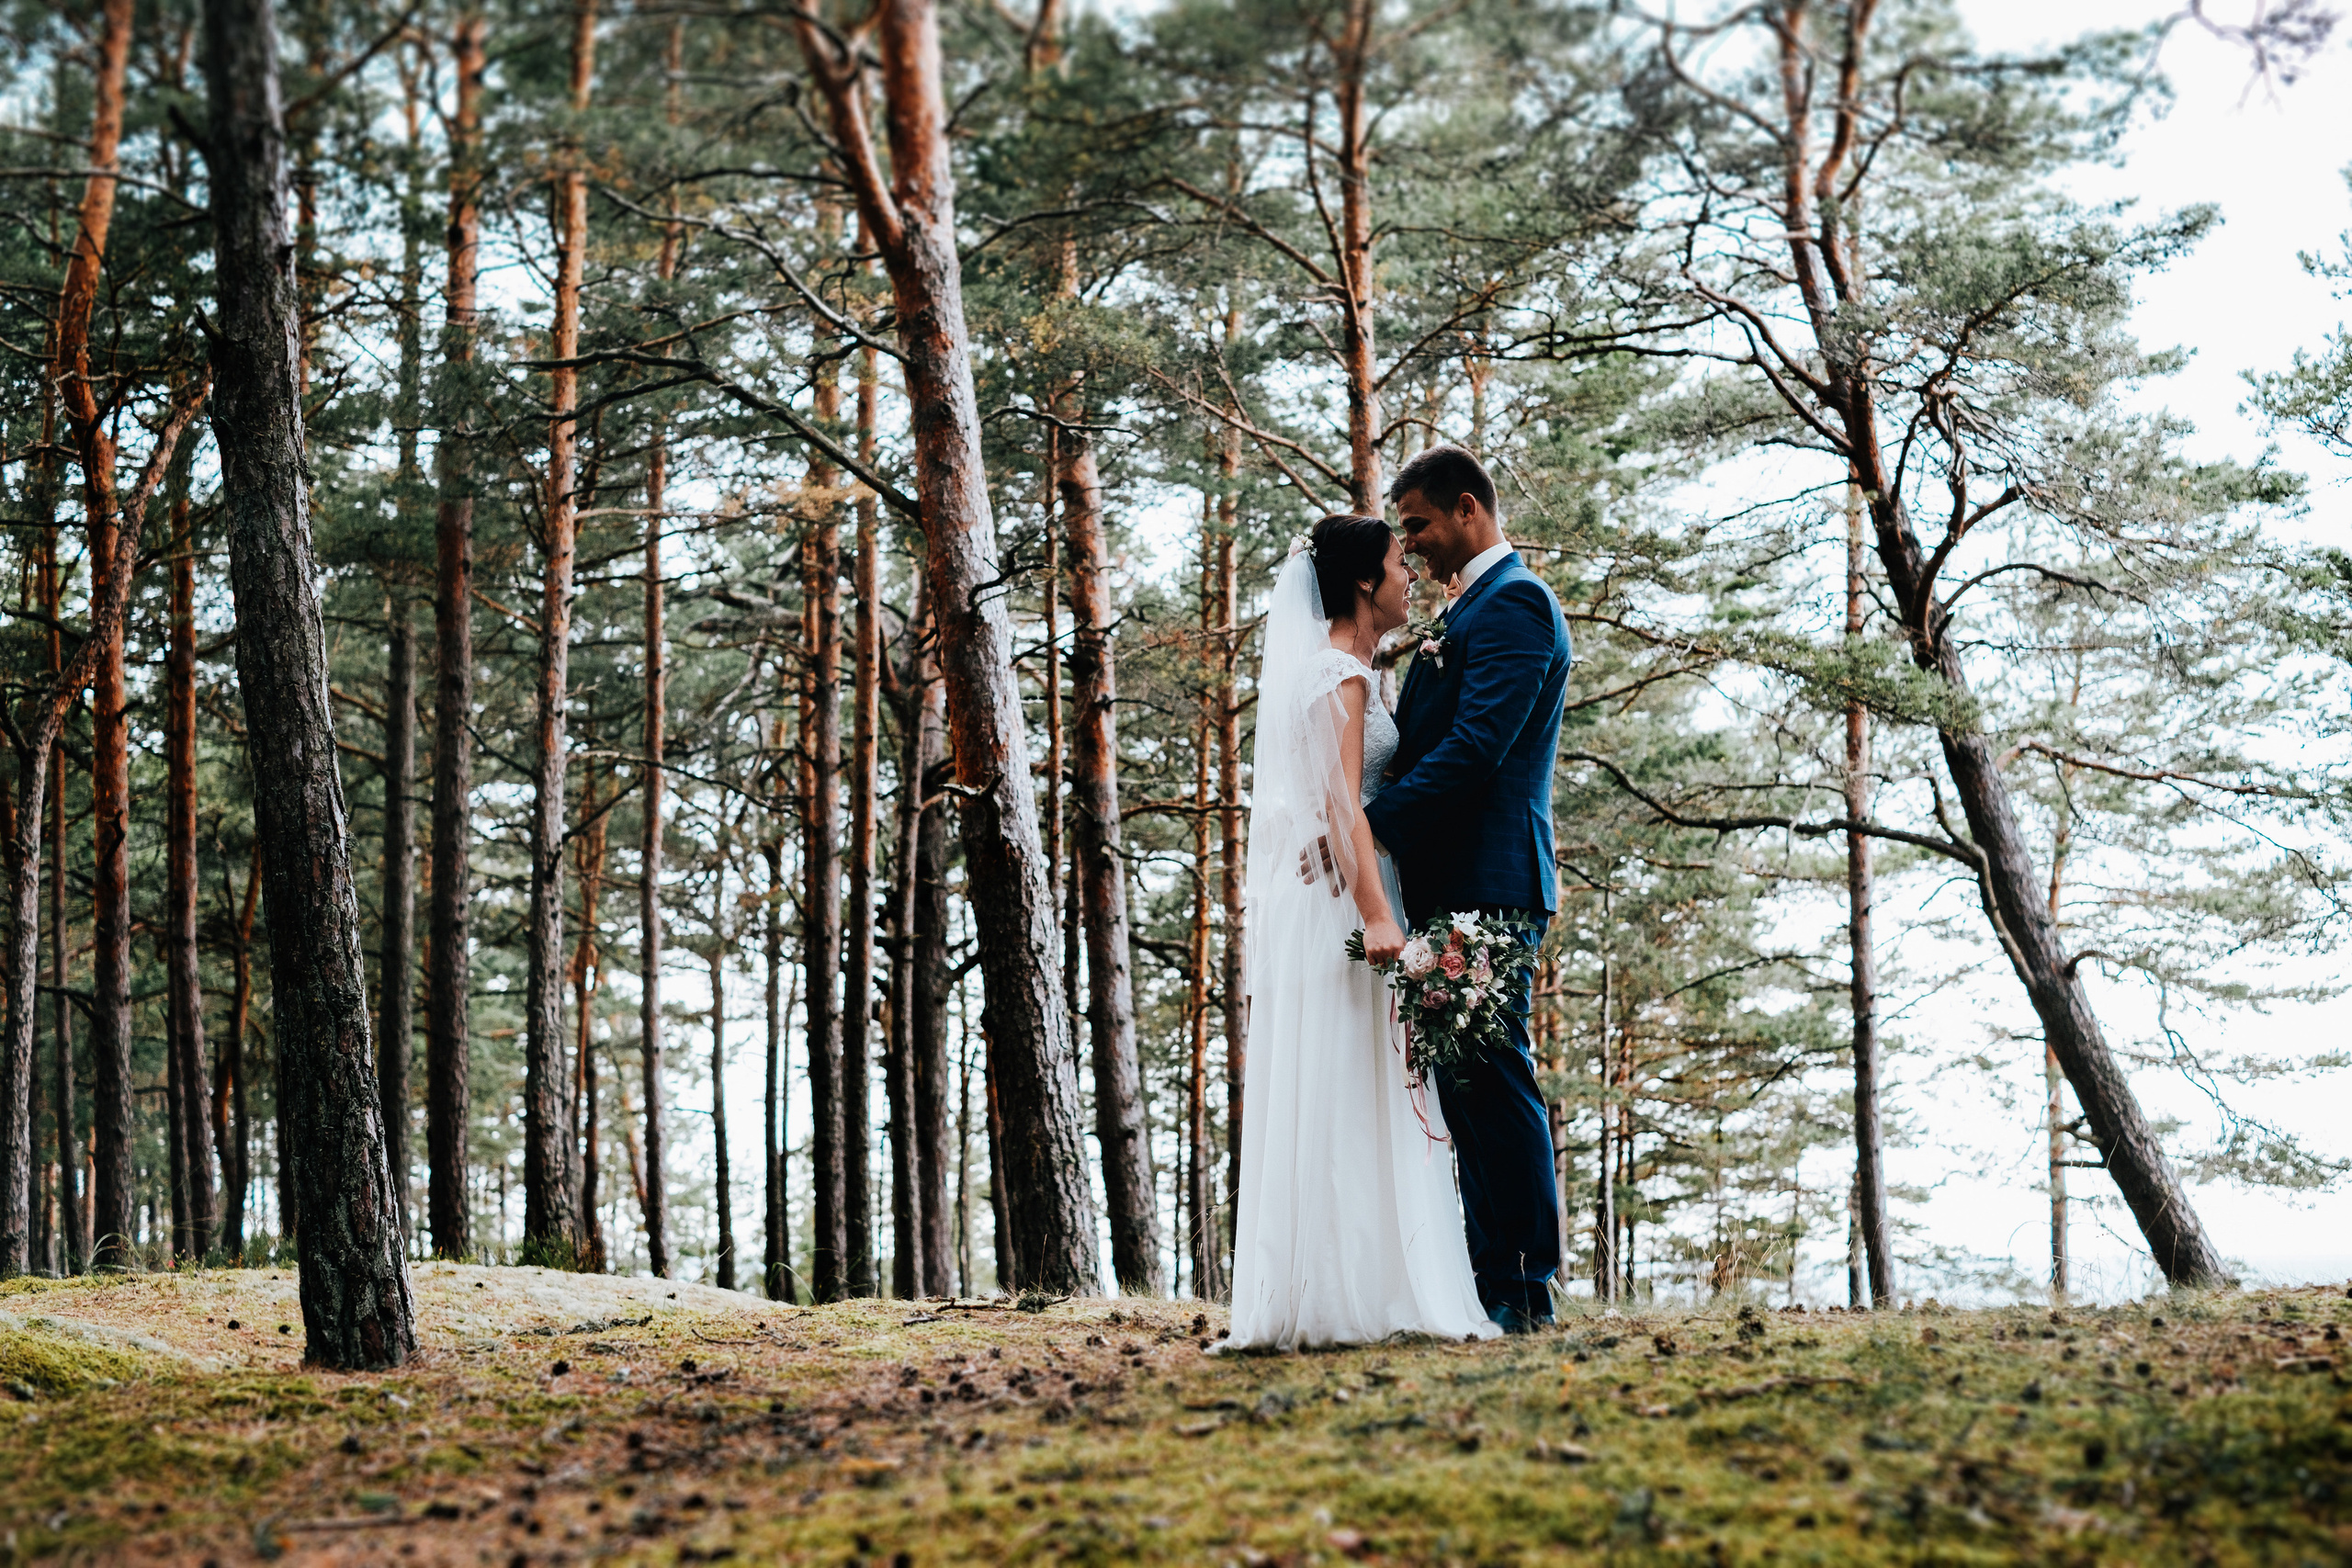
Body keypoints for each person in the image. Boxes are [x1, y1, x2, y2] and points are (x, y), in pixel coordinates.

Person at [1222, 511, 1498, 1349]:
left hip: (1362, 884)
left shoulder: (1359, 675)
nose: (1409, 577)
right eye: (1395, 565)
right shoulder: (1339, 676)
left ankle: (1369, 1283)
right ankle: (1342, 1291)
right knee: (1349, 1079)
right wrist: (1378, 915)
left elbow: (1338, 804)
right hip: (1354, 908)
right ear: (1362, 584)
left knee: (1372, 1084)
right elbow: (1343, 803)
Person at [1363, 445, 1573, 1335]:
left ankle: (1524, 1288)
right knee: (1466, 1088)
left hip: (1490, 879)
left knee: (1495, 1078)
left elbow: (1478, 746)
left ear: (1466, 509)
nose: (1408, 545)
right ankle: (1493, 1285)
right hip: (1449, 881)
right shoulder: (1468, 610)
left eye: (1416, 524)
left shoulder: (1515, 603)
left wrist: (1373, 824)